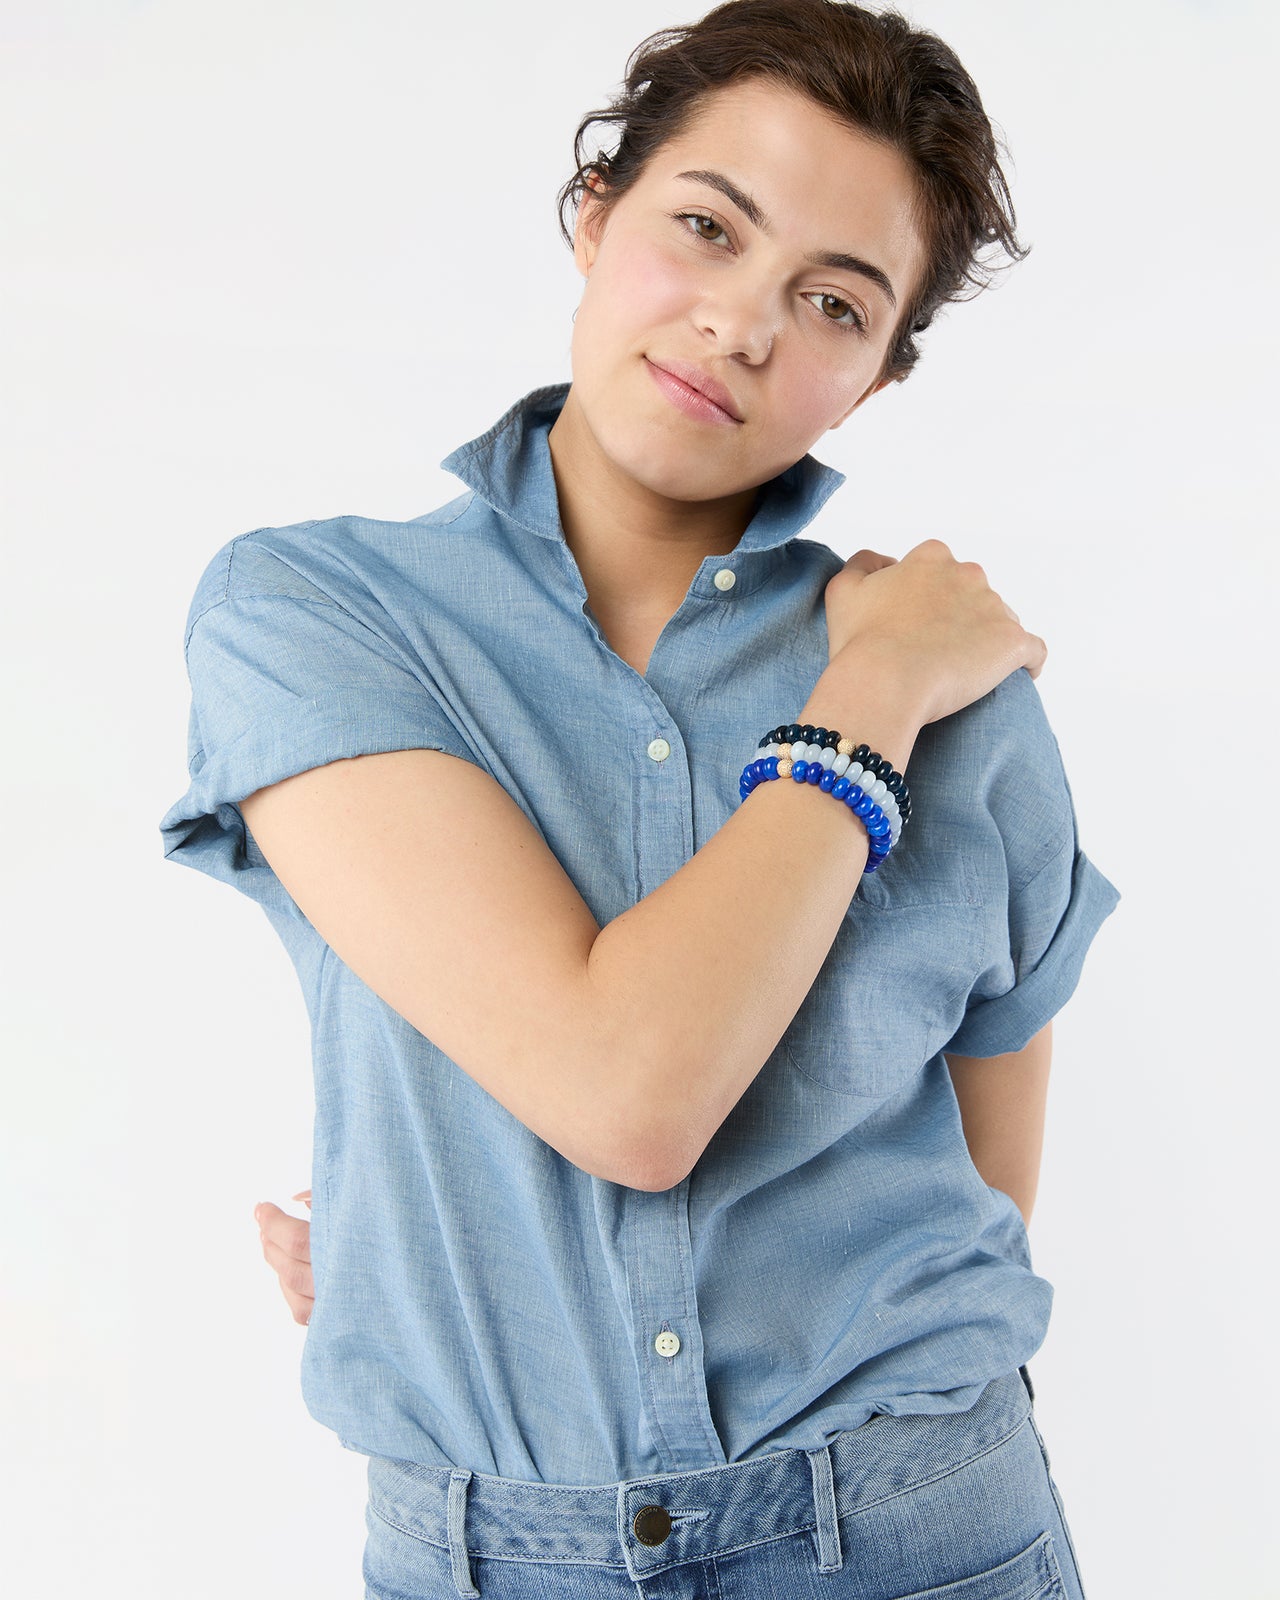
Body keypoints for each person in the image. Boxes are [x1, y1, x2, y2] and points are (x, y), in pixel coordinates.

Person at [160, 2, 1119, 1595]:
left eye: (832, 301)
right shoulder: (319, 614)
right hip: (490, 1552)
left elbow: (979, 1165)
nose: (744, 324)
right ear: (596, 212)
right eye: (705, 228)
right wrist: (864, 699)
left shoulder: (967, 687)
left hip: (916, 1531)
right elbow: (627, 1093)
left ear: (874, 379)